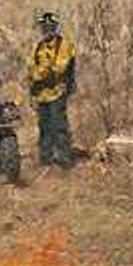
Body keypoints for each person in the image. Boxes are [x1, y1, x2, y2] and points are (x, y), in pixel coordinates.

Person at [26, 10, 77, 168]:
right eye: (44, 27)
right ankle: (45, 160)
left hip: (57, 92)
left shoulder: (65, 45)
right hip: (41, 94)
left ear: (55, 27)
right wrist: (38, 76)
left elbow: (59, 68)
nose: (46, 30)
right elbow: (30, 68)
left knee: (59, 126)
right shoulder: (38, 48)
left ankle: (65, 160)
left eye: (49, 27)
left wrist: (41, 72)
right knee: (44, 127)